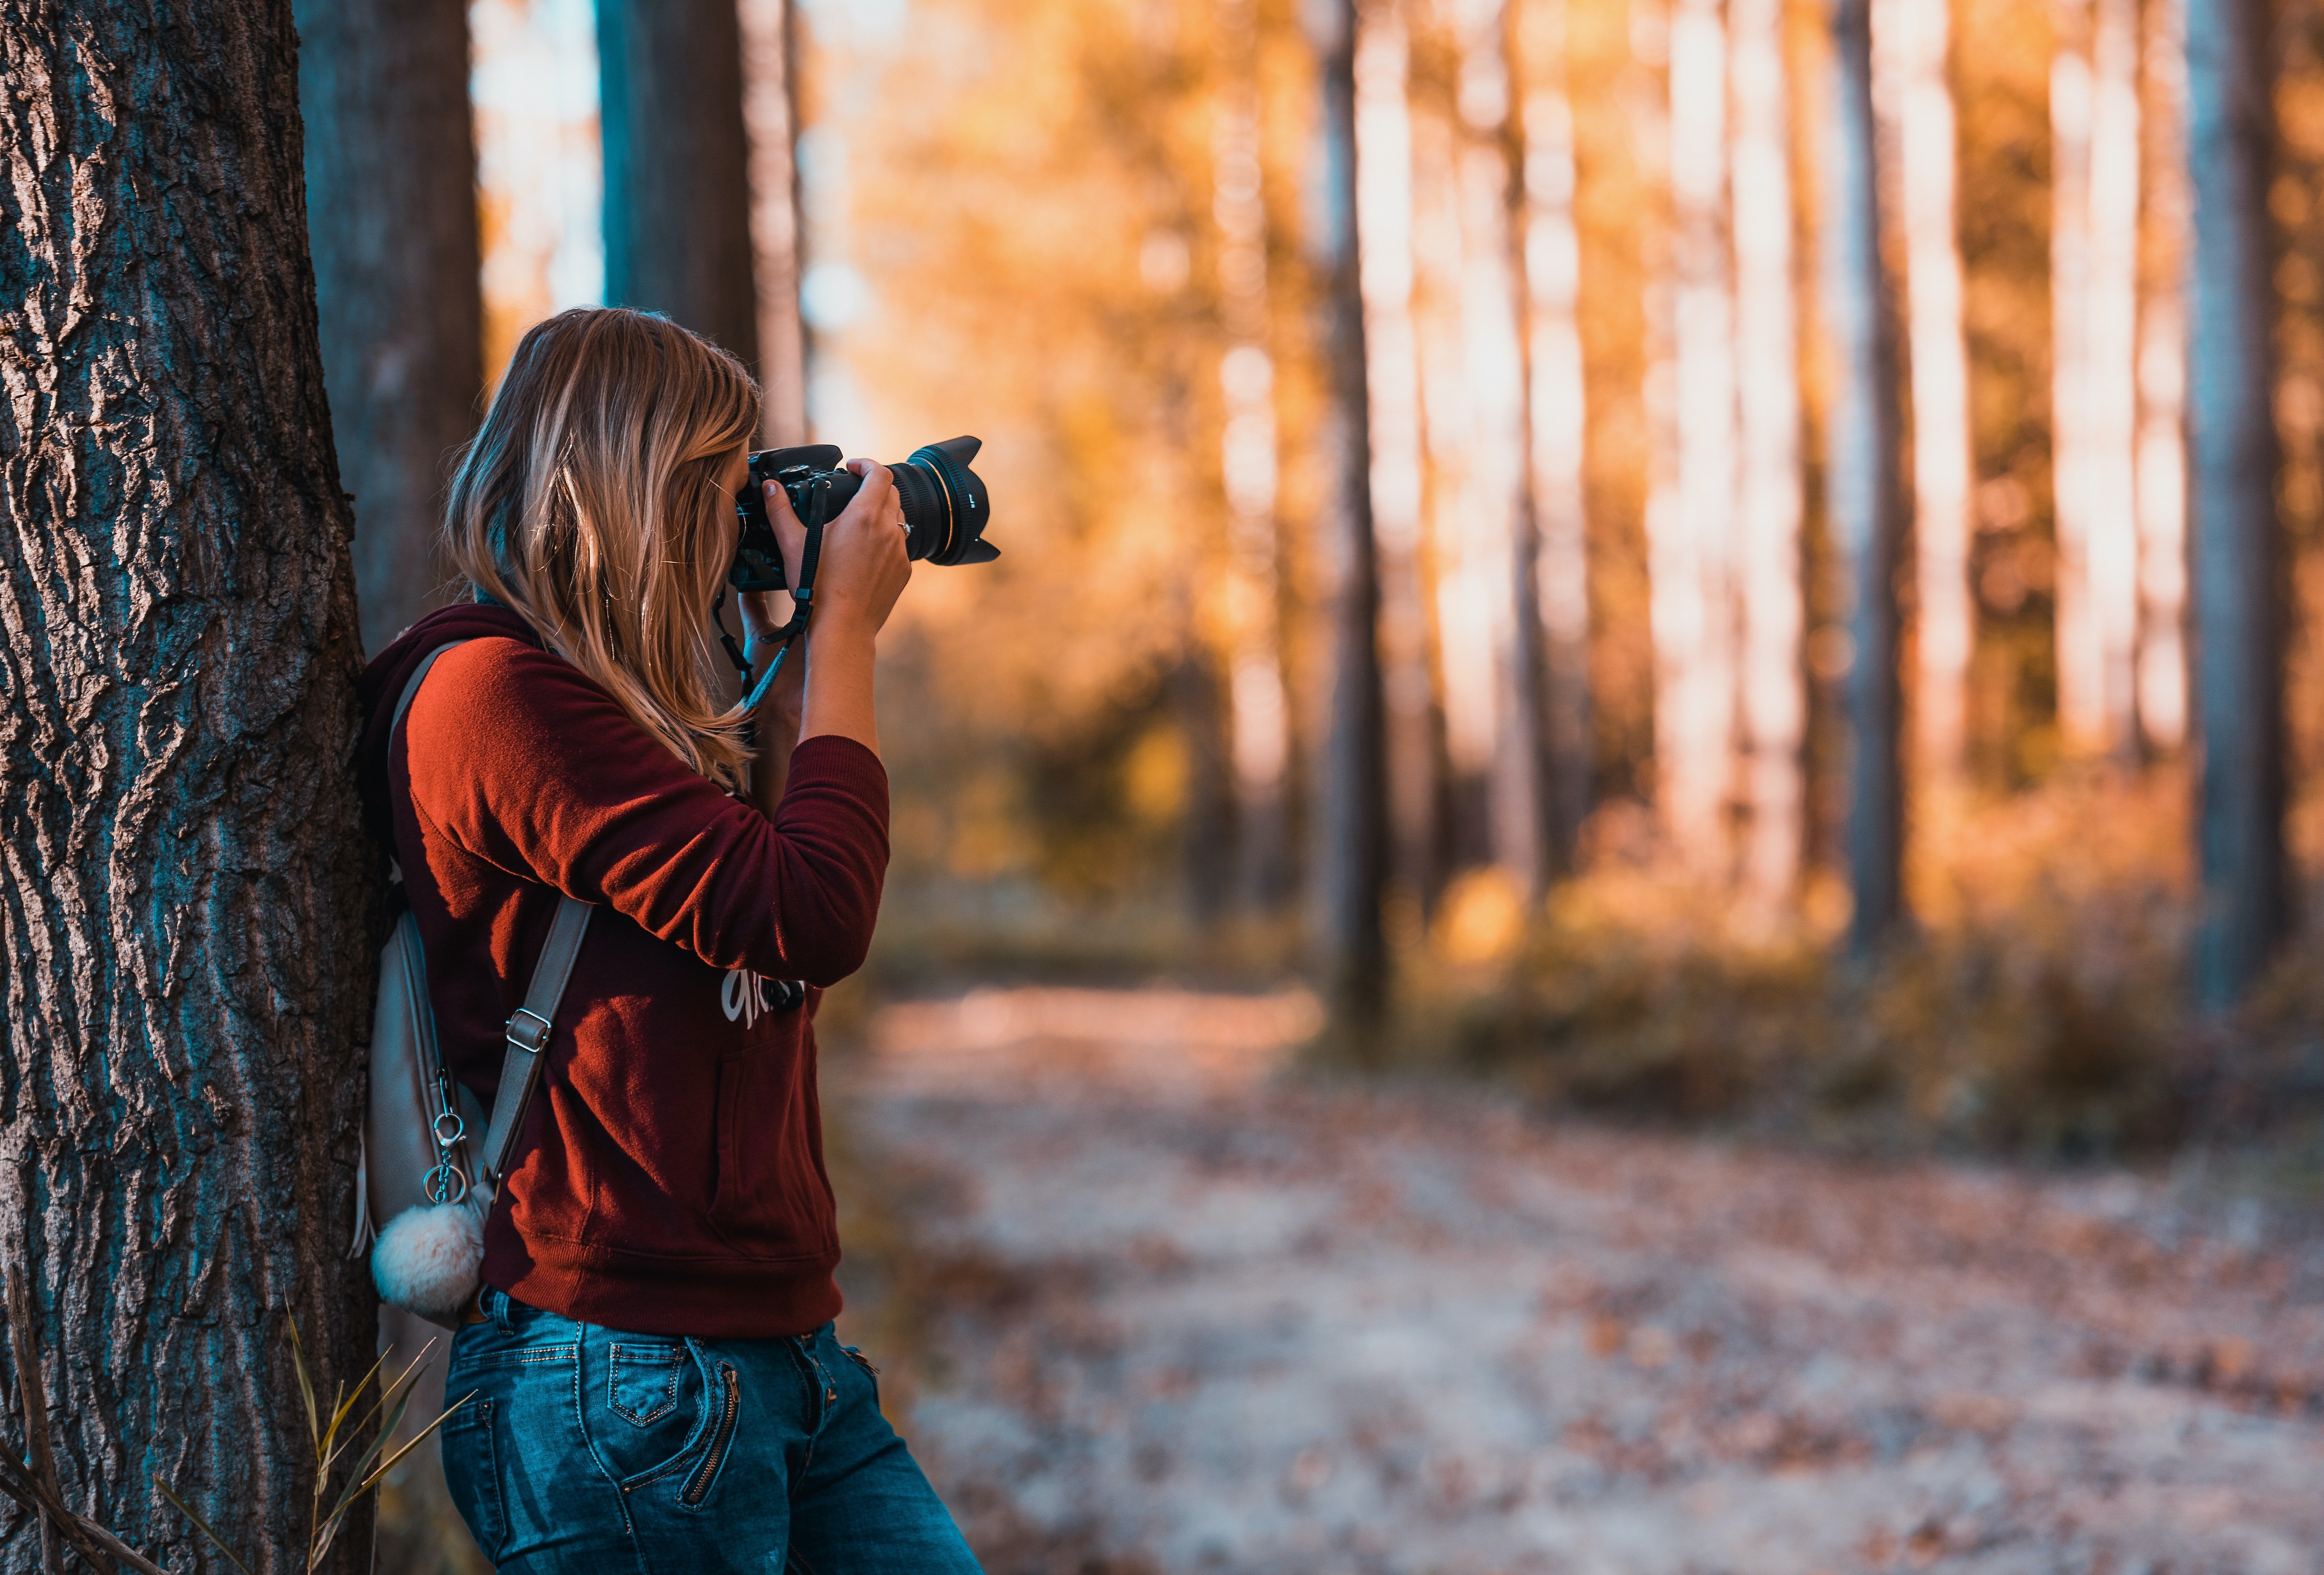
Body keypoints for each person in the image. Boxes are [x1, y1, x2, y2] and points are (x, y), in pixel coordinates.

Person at [354, 307, 982, 1573]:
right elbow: (813, 914)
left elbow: (763, 925)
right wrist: (848, 634)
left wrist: (789, 660)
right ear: (643, 489)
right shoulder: (494, 696)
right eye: (720, 479)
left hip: (778, 1358)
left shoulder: (620, 715)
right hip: (620, 1373)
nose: (738, 513)